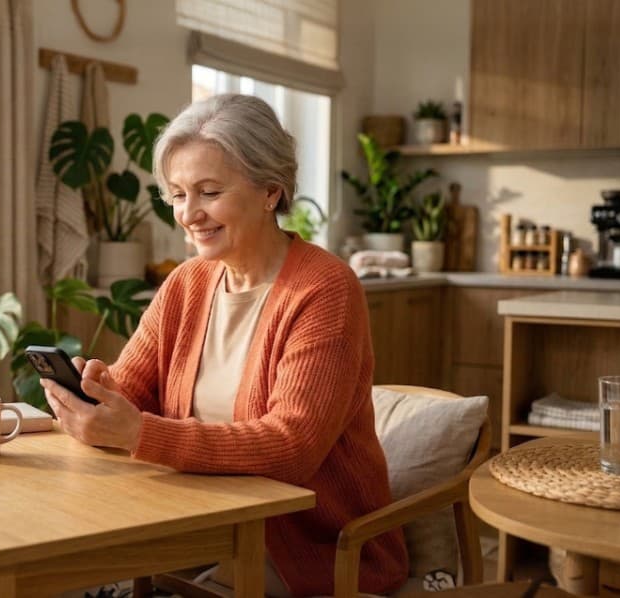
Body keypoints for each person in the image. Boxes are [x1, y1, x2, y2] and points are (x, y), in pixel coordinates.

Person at [41, 93, 408, 597]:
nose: (189, 214)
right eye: (176, 195)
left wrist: (139, 433)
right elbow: (133, 395)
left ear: (270, 192)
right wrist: (98, 393)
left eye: (209, 192)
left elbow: (291, 448)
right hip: (192, 529)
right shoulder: (187, 283)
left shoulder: (325, 290)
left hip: (307, 556)